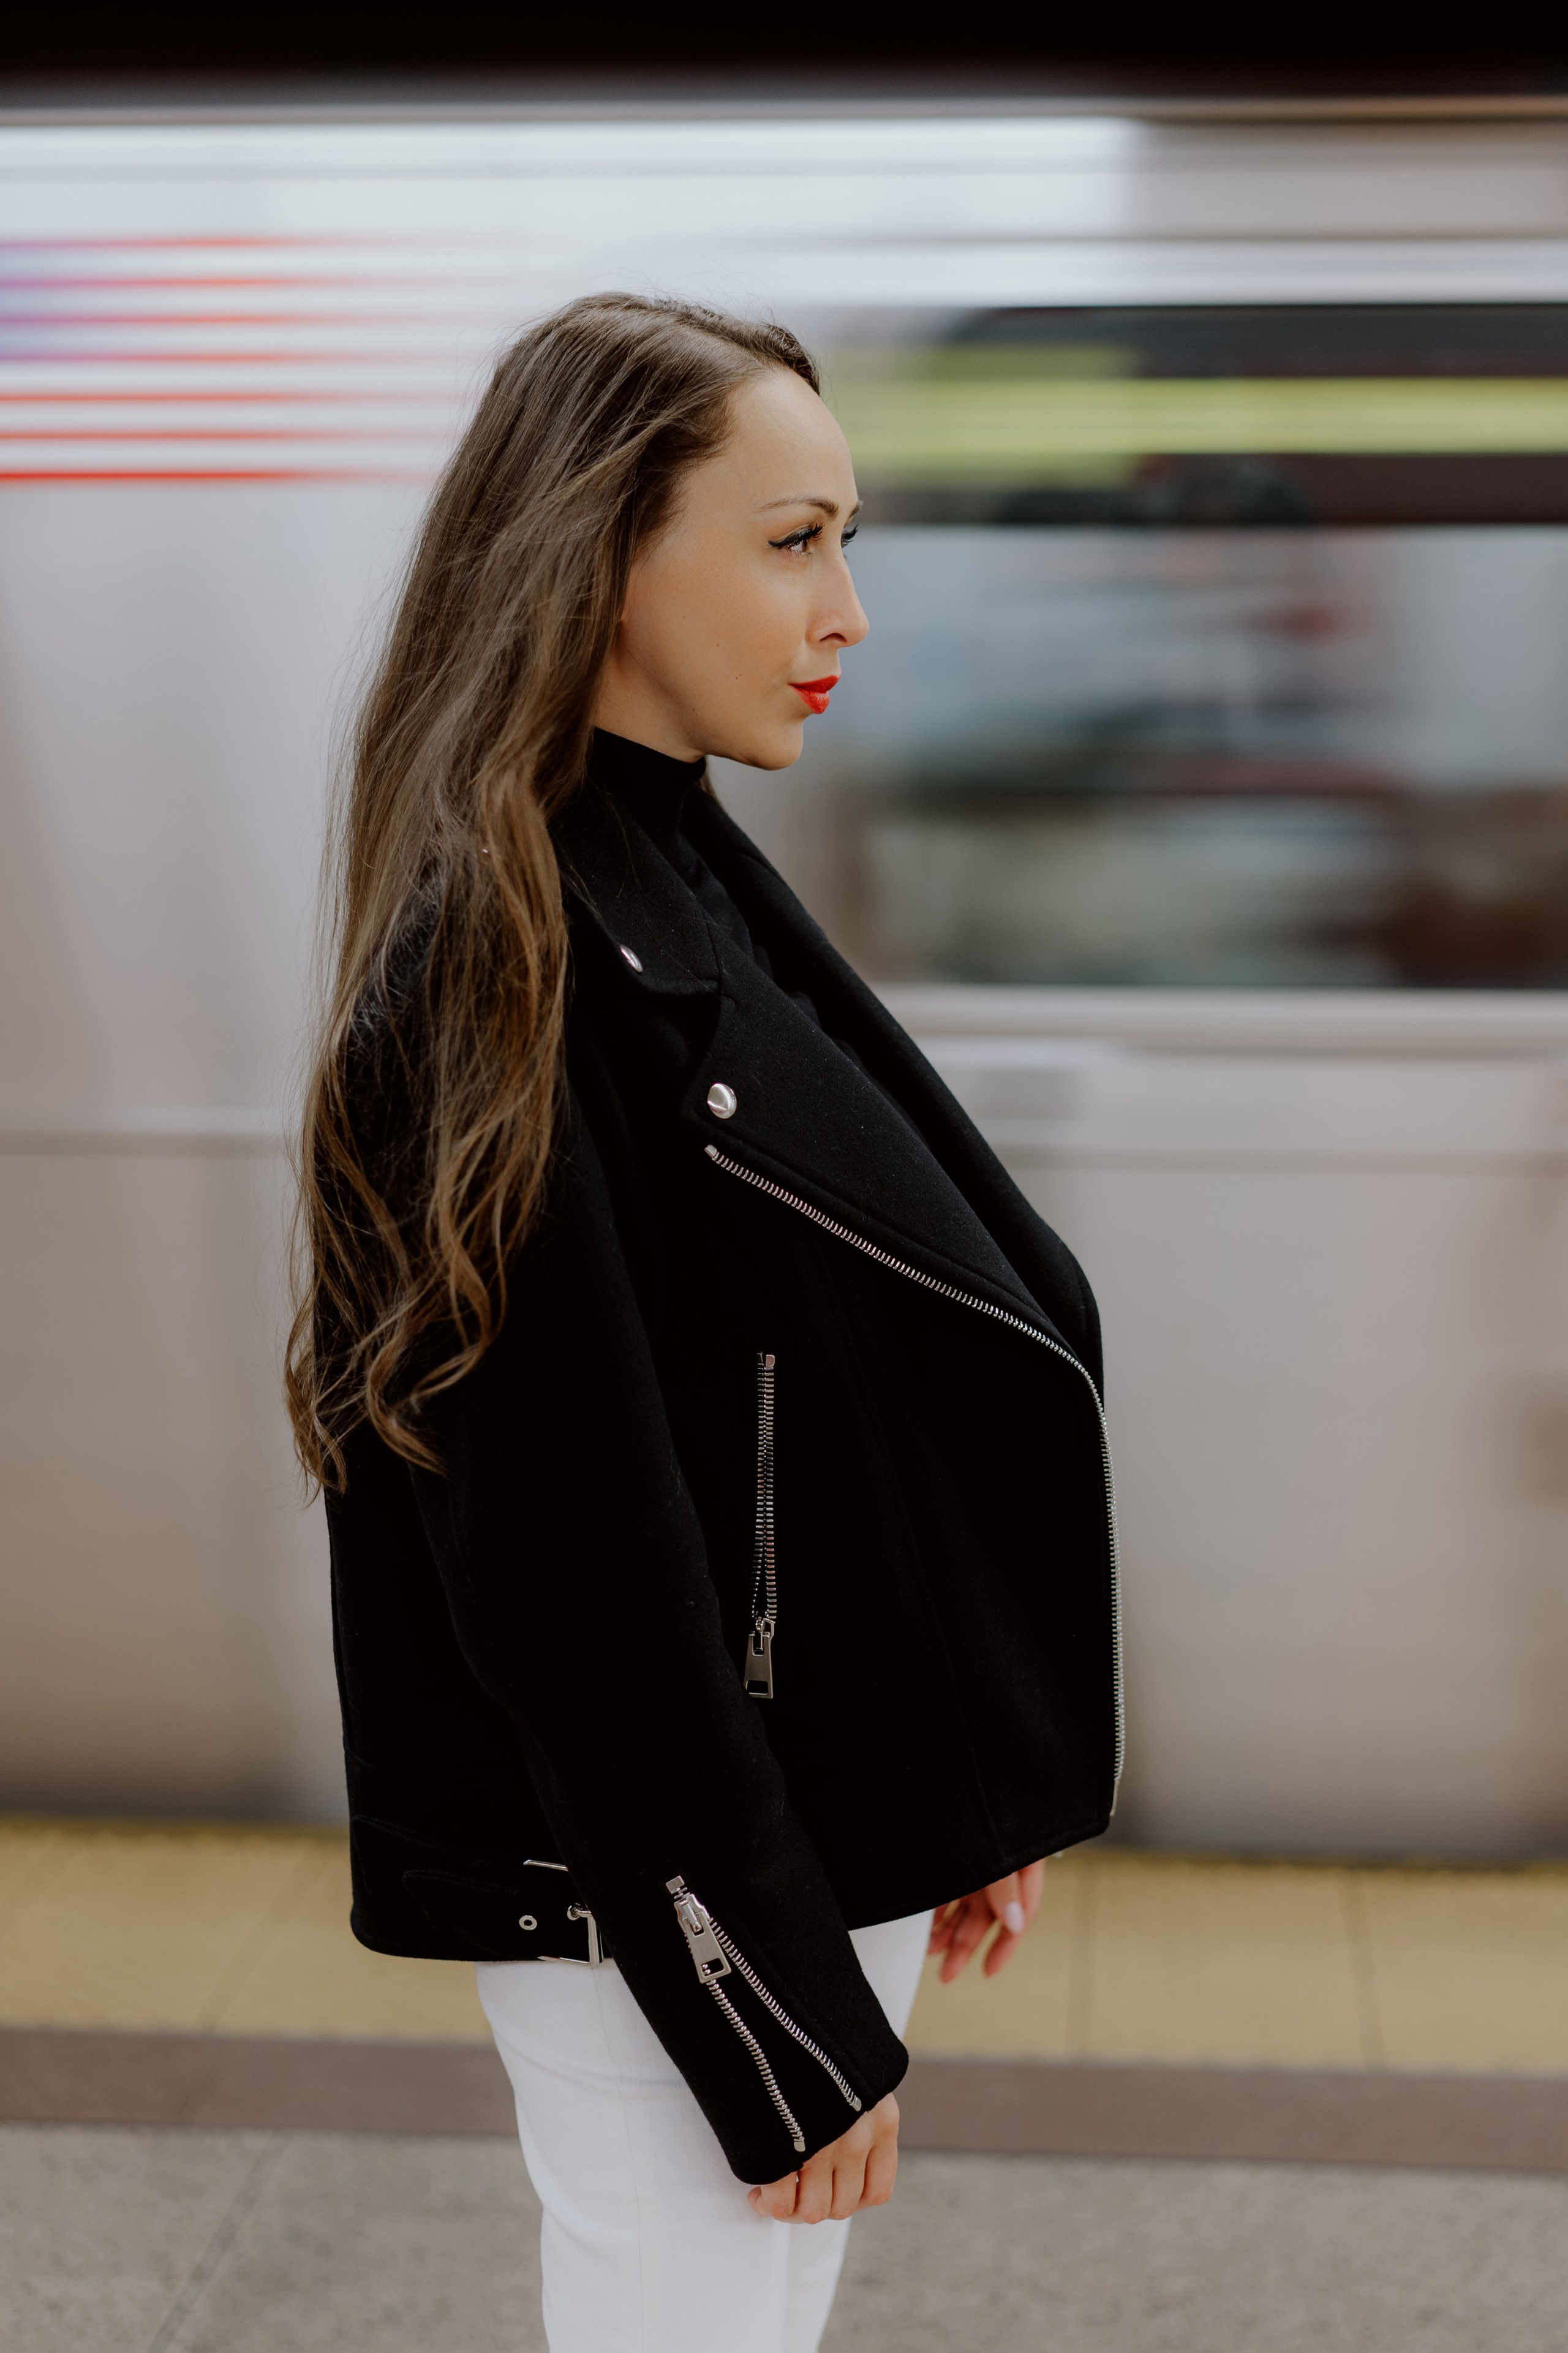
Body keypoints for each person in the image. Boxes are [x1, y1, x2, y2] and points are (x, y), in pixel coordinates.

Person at [288, 292, 1119, 2353]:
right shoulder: (503, 968)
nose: (845, 607)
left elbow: (826, 1375)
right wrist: (763, 2003)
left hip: (795, 1825)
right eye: (790, 538)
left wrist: (956, 1775)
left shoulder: (679, 871)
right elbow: (574, 1566)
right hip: (666, 1887)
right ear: (599, 548)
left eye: (846, 537)